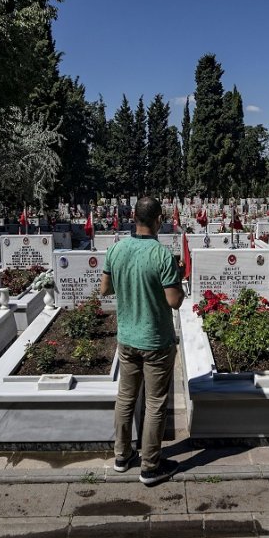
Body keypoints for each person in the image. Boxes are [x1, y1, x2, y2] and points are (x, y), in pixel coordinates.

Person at [100, 196, 184, 486]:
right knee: (155, 403)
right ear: (159, 219)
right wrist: (178, 280)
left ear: (133, 218)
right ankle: (150, 466)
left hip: (127, 338)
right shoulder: (162, 255)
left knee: (126, 397)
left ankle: (122, 456)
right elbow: (174, 301)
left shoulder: (116, 250)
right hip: (156, 340)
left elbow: (105, 289)